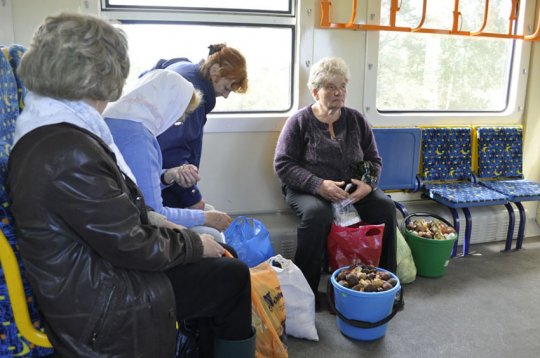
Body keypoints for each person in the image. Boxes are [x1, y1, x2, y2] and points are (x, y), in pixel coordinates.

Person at [7, 13, 254, 357]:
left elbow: (114, 215)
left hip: (93, 274)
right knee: (233, 276)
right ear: (100, 76)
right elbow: (132, 245)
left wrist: (160, 221)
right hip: (102, 302)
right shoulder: (66, 150)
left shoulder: (57, 132)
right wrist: (196, 245)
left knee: (218, 270)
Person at [273, 57, 397, 308]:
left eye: (342, 86)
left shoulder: (356, 120)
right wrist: (319, 185)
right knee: (317, 215)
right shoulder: (299, 121)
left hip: (352, 189)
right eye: (330, 86)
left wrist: (368, 185)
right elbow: (283, 165)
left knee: (385, 207)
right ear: (315, 91)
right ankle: (306, 290)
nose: (338, 92)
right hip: (308, 189)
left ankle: (385, 282)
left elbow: (374, 159)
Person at [103, 69, 232, 243]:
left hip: (117, 217)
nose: (176, 122)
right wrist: (205, 217)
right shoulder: (138, 138)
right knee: (215, 236)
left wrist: (167, 176)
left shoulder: (114, 118)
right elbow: (155, 214)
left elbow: (133, 183)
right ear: (169, 106)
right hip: (135, 231)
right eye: (179, 115)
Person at [144, 43, 248, 210]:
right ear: (215, 70)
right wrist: (192, 199)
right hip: (161, 189)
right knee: (212, 230)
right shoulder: (194, 97)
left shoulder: (182, 67)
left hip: (151, 175)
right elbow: (174, 155)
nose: (226, 95)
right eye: (226, 87)